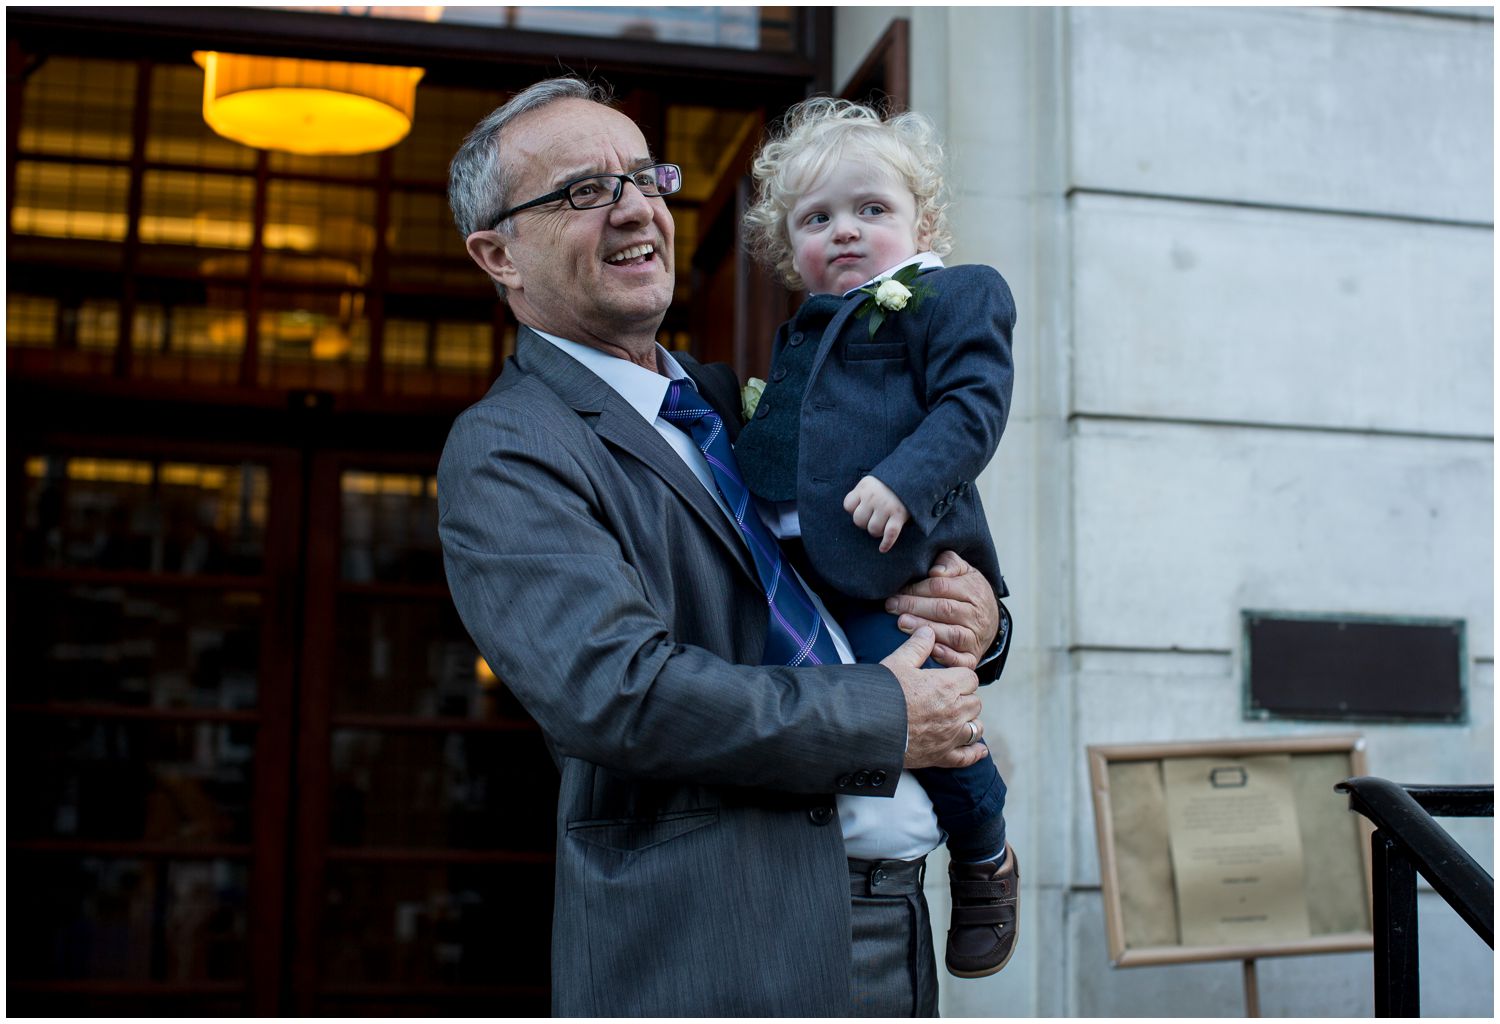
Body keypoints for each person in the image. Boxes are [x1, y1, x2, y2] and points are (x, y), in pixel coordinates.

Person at [439, 76, 1006, 1016]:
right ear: (498, 253)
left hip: (892, 917)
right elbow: (618, 693)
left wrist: (978, 614)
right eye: (585, 191)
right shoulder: (509, 446)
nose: (635, 211)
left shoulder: (722, 397)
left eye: (645, 180)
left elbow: (876, 551)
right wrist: (886, 717)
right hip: (717, 951)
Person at [736, 97, 1019, 978]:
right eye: (817, 219)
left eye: (872, 210)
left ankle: (983, 851)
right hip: (796, 571)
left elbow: (972, 407)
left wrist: (904, 478)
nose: (846, 232)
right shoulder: (802, 331)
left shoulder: (953, 296)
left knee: (926, 713)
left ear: (920, 220)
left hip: (891, 569)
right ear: (790, 247)